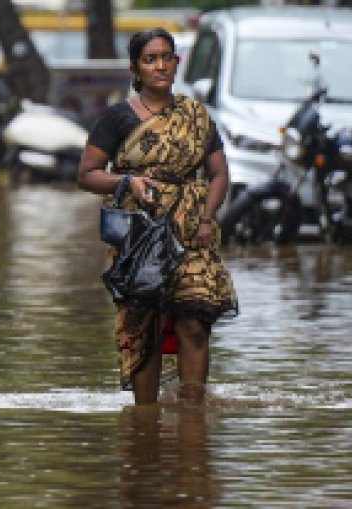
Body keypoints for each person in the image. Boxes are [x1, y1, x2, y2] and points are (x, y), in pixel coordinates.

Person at [77, 28, 238, 405]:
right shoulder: (117, 118)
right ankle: (145, 419)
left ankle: (193, 411)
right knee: (144, 326)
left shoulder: (196, 116)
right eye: (151, 59)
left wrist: (206, 219)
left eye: (167, 57)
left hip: (191, 233)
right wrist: (128, 182)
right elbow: (87, 175)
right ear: (136, 68)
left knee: (195, 322)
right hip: (140, 234)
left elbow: (219, 174)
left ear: (177, 63)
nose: (161, 65)